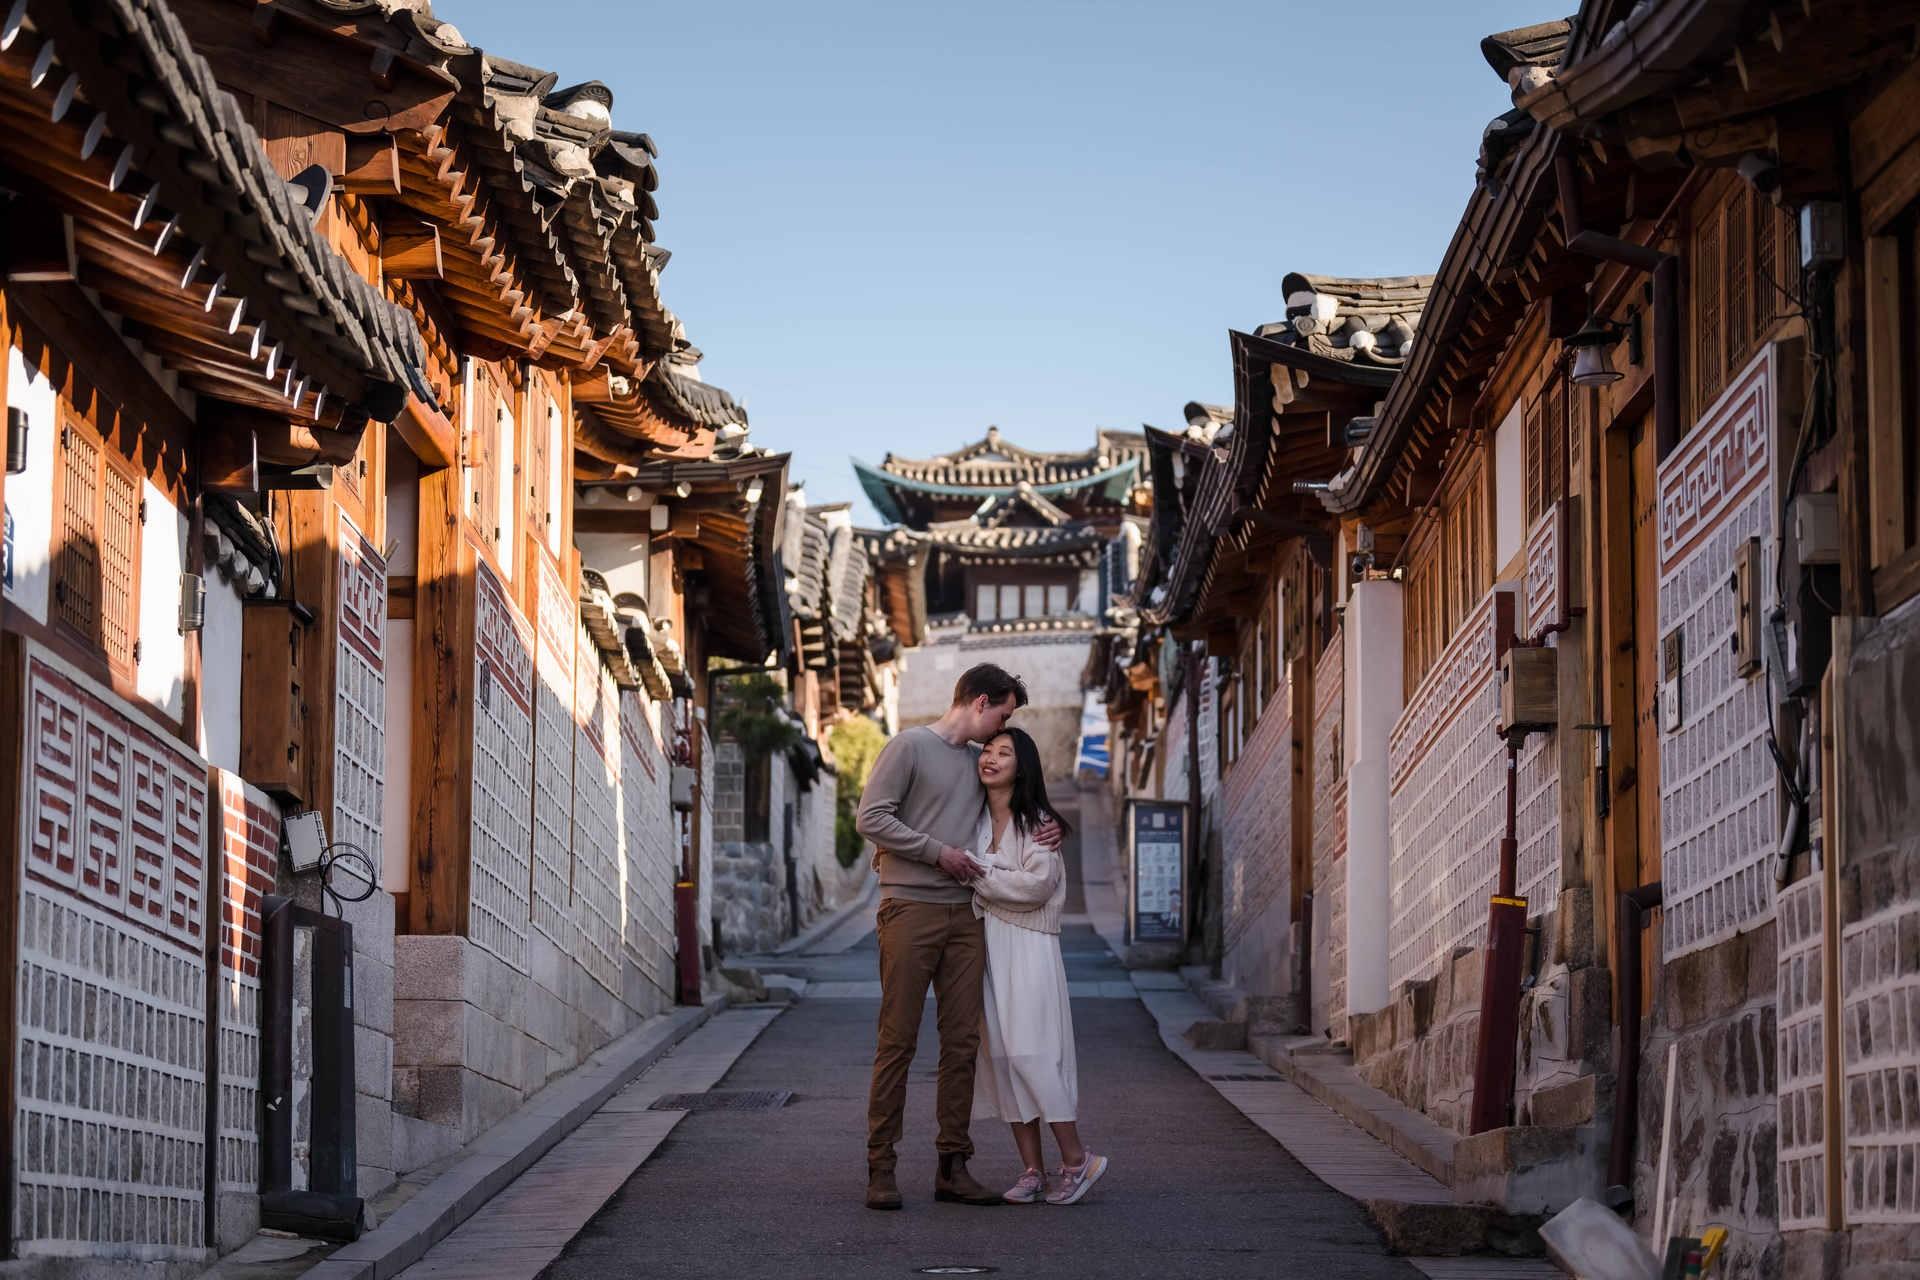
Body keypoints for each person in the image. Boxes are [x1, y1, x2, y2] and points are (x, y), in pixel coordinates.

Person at [854, 663, 1060, 1211]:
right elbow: (871, 817)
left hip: (968, 916)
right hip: (909, 908)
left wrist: (1056, 825)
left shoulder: (980, 764)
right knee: (897, 1041)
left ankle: (953, 1166)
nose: (1001, 730)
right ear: (979, 701)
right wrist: (936, 852)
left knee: (963, 1044)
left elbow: (1017, 805)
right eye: (1002, 714)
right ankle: (882, 1168)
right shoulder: (910, 747)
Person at [969, 727, 1108, 1206]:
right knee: (1003, 1061)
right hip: (986, 948)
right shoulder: (974, 819)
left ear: (1022, 766)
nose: (990, 758)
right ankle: (1032, 1169)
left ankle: (1077, 1159)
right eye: (987, 749)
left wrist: (979, 873)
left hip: (1028, 945)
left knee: (1032, 1053)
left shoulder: (1039, 822)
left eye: (1004, 753)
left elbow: (1036, 887)